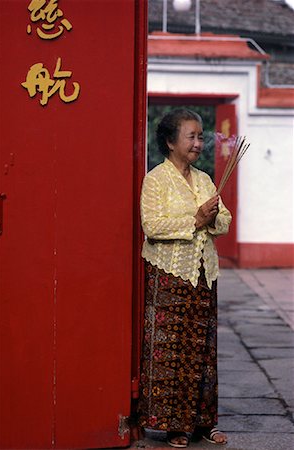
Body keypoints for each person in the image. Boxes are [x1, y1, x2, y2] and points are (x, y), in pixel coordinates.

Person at [137, 109, 231, 447]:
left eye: (201, 136)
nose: (198, 143)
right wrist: (195, 218)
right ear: (170, 141)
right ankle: (173, 424)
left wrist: (212, 217)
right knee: (171, 351)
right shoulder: (156, 180)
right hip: (169, 276)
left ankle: (204, 423)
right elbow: (153, 226)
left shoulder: (205, 179)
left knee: (203, 351)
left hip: (204, 274)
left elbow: (224, 222)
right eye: (191, 136)